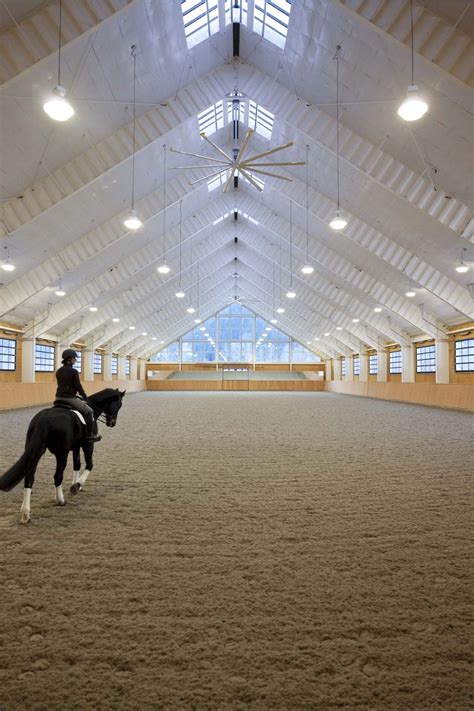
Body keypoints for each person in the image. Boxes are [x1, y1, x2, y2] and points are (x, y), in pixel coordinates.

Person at [55, 349, 101, 442]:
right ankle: (90, 435)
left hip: (58, 397)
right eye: (74, 358)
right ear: (70, 359)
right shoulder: (73, 371)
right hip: (69, 398)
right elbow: (78, 386)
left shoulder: (59, 371)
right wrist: (85, 398)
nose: (75, 360)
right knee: (89, 411)